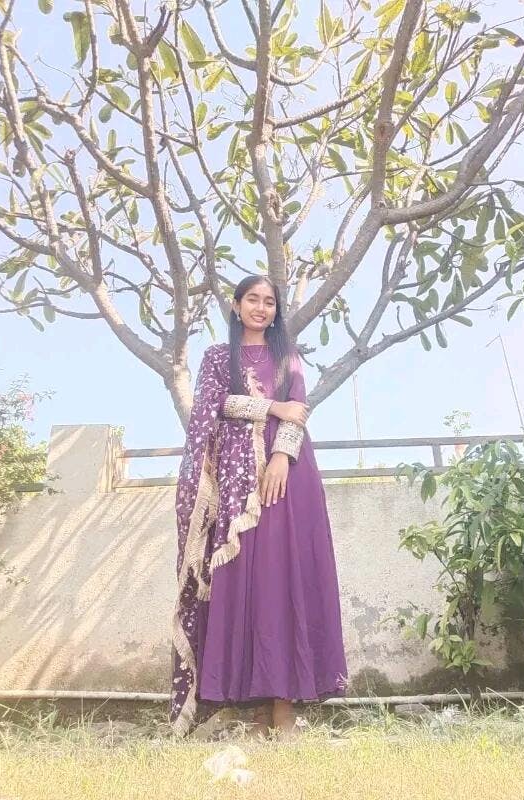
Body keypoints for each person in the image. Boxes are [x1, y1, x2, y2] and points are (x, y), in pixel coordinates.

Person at [169, 275, 349, 741]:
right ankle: (250, 706)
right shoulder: (217, 356)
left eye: (269, 302)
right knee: (245, 585)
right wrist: (272, 407)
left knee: (284, 580)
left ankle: (285, 709)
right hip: (235, 482)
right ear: (236, 305)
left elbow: (298, 409)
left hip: (288, 477)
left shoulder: (287, 356)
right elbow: (212, 405)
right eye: (253, 299)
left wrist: (281, 457)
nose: (261, 308)